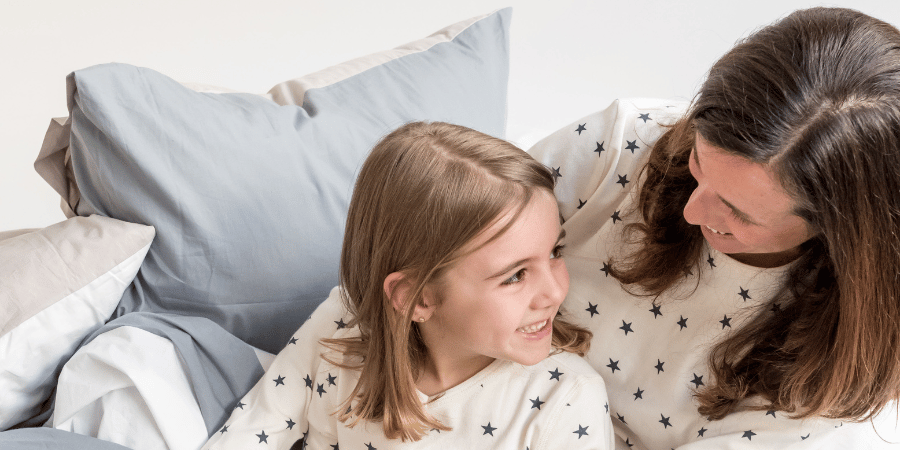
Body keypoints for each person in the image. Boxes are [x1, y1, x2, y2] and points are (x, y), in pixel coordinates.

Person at [528, 6, 900, 449]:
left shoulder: (842, 371)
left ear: (841, 232)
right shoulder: (618, 144)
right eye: (698, 162)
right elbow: (451, 243)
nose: (691, 211)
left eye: (740, 213)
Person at [201, 121, 614, 449]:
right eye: (516, 275)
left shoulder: (565, 400)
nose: (555, 292)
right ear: (416, 298)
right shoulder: (341, 331)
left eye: (554, 252)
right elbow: (259, 426)